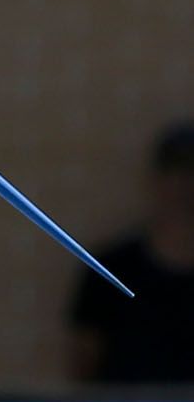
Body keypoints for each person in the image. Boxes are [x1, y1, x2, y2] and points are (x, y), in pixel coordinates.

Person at [66, 121, 194, 388]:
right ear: (155, 181)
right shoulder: (110, 269)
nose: (185, 186)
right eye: (176, 171)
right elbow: (83, 364)